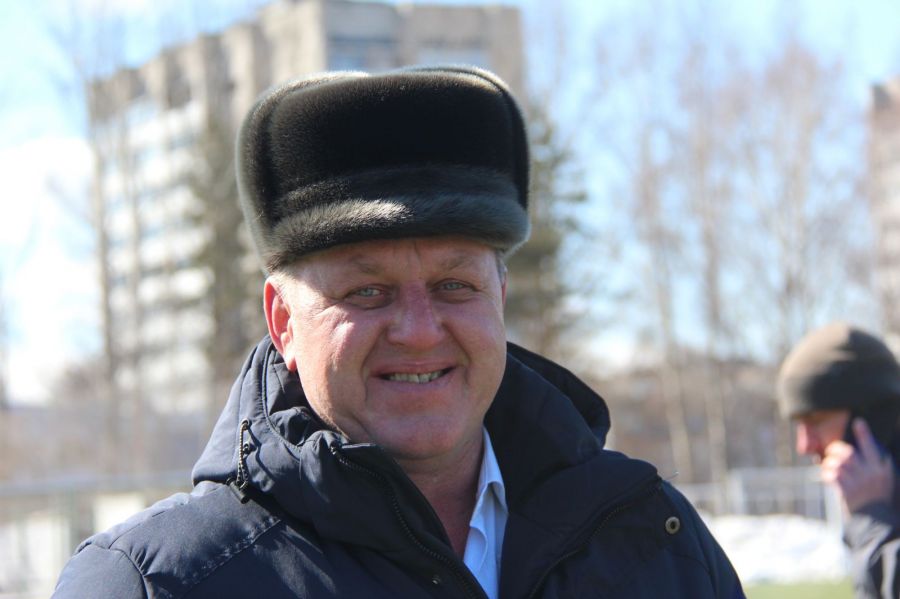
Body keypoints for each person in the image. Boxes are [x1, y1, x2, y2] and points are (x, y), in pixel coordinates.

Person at [53, 65, 744, 598]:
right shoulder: (155, 585)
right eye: (367, 292)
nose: (418, 331)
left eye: (454, 285)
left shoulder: (653, 541)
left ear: (500, 298)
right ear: (283, 322)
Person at [778, 322, 900, 598]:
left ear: (870, 418)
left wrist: (874, 527)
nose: (804, 446)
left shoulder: (877, 516)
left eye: (815, 421)